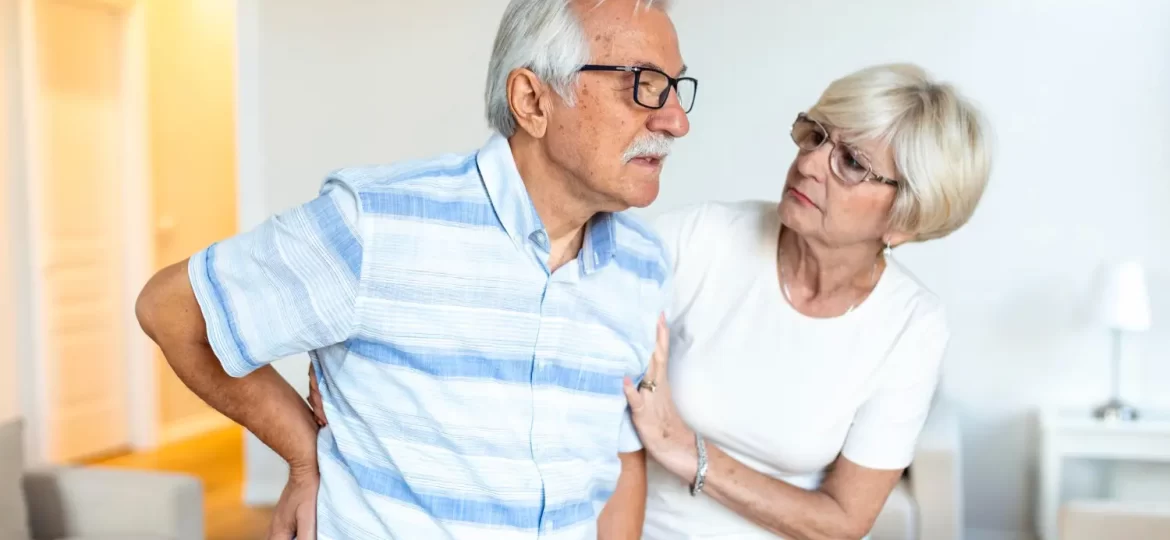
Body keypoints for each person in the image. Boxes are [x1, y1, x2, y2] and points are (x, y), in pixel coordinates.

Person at [308, 62, 992, 540]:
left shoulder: (912, 326)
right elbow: (538, 296)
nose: (810, 162)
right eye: (816, 135)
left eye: (850, 162)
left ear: (905, 219)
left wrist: (683, 448)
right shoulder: (706, 240)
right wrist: (333, 430)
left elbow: (844, 522)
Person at [134, 0, 695, 538]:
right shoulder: (378, 222)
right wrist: (306, 456)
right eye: (642, 84)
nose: (675, 121)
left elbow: (618, 459)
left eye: (675, 88)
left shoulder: (643, 266)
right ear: (532, 100)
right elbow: (171, 311)